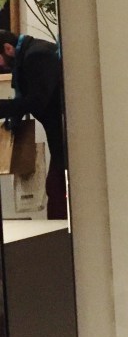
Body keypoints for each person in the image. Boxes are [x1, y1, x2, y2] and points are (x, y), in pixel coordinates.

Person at [0, 30, 66, 219]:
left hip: (67, 136)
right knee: (56, 190)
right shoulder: (29, 55)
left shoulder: (37, 55)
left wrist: (4, 108)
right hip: (61, 135)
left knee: (57, 192)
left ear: (8, 48)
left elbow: (37, 101)